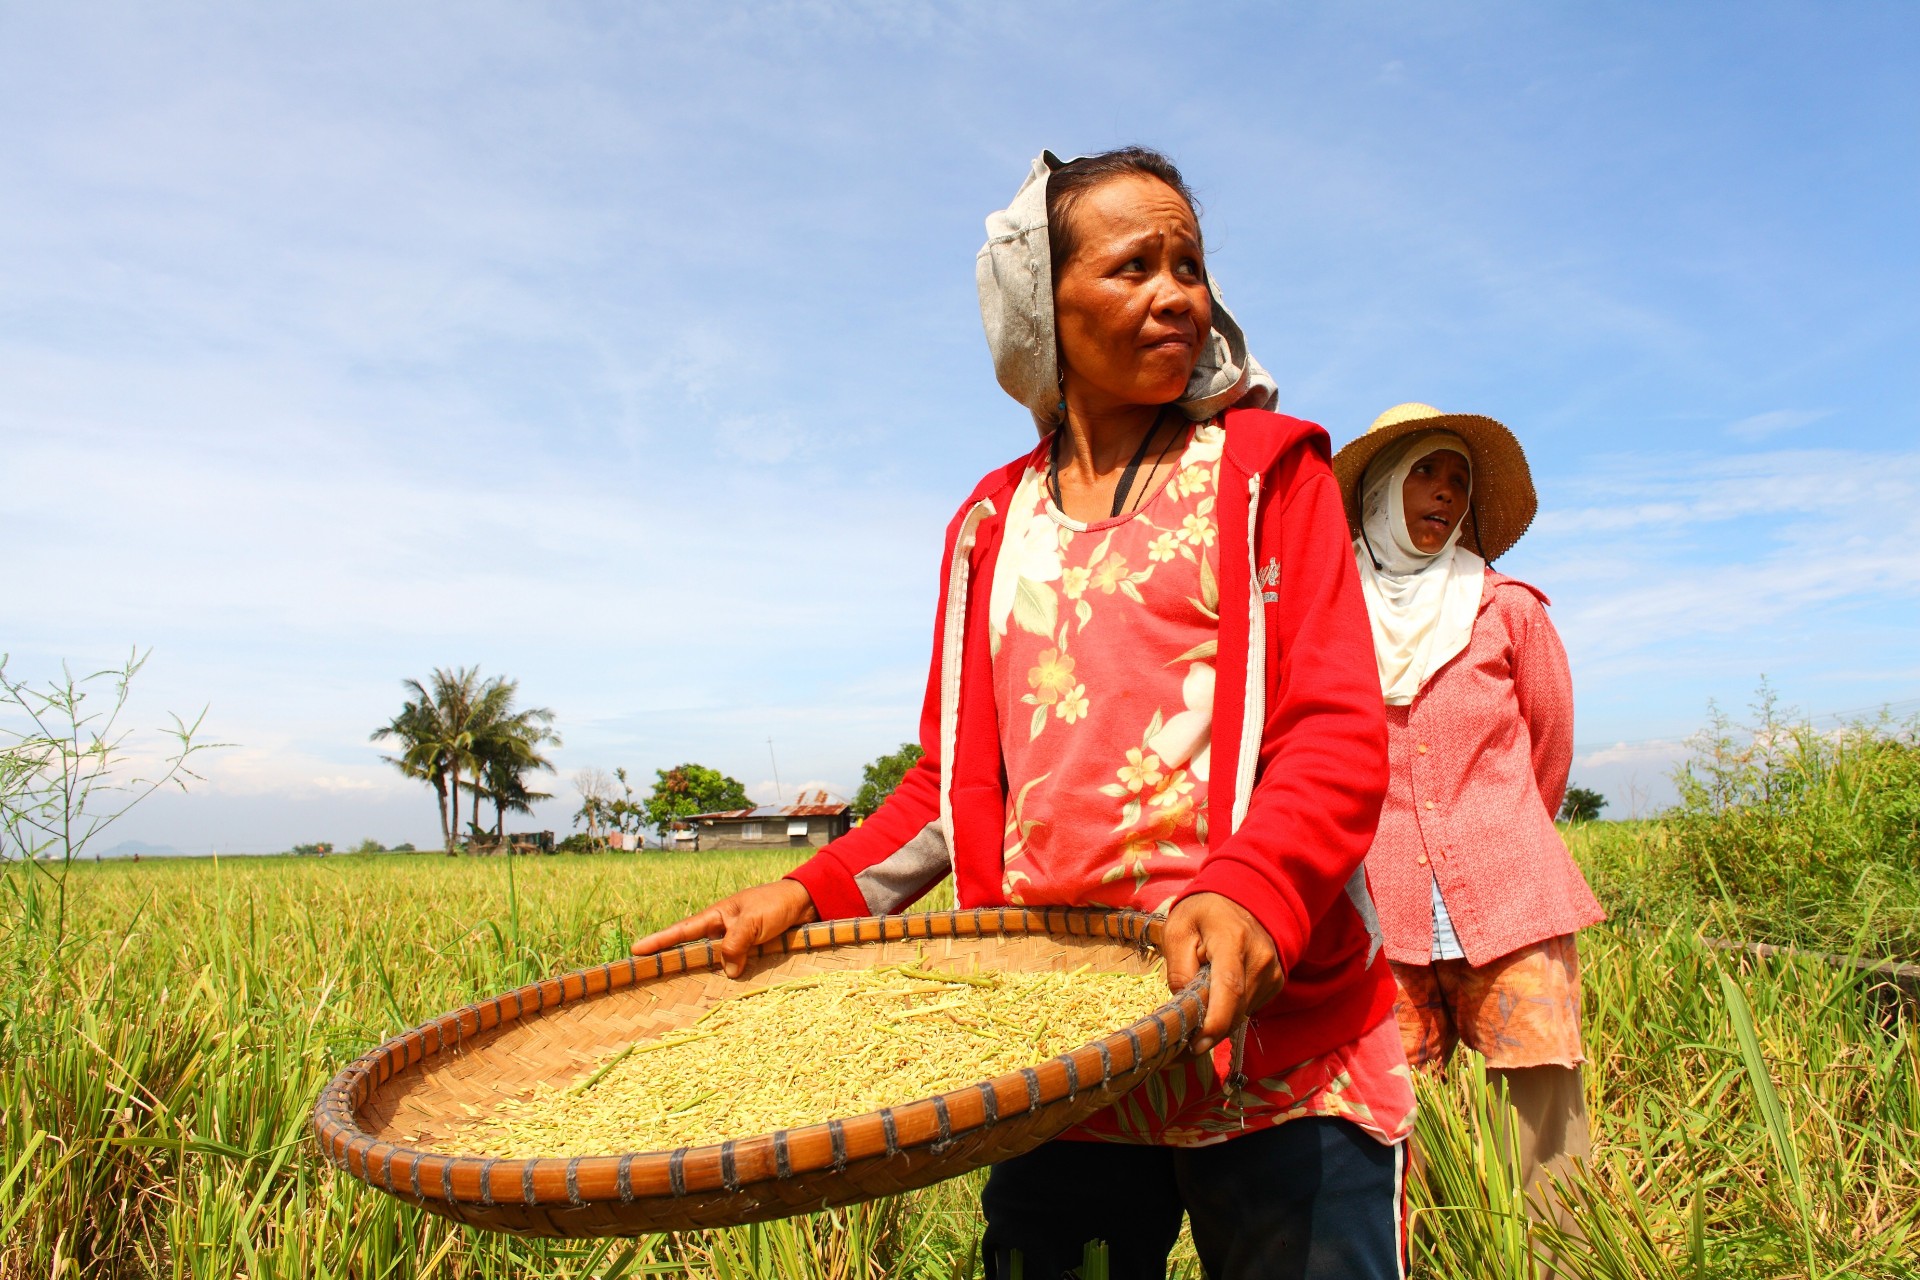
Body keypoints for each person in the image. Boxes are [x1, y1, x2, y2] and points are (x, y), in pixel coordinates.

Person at [634, 149, 1412, 1279]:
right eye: (1132, 264)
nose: (1175, 291)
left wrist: (1254, 883)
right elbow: (950, 784)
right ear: (1040, 309)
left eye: (1188, 262)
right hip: (1064, 1048)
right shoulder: (993, 524)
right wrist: (806, 888)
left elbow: (1335, 727)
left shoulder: (1262, 473)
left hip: (1273, 1034)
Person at [1332, 403, 1606, 1223]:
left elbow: (1547, 751)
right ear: (1381, 488)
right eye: (1425, 471)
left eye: (1458, 478)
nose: (1445, 493)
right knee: (1385, 1112)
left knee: (1541, 1120)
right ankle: (1419, 1254)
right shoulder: (1329, 615)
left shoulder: (1506, 608)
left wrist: (1501, 837)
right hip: (1378, 906)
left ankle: (1556, 1267)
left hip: (1510, 899)